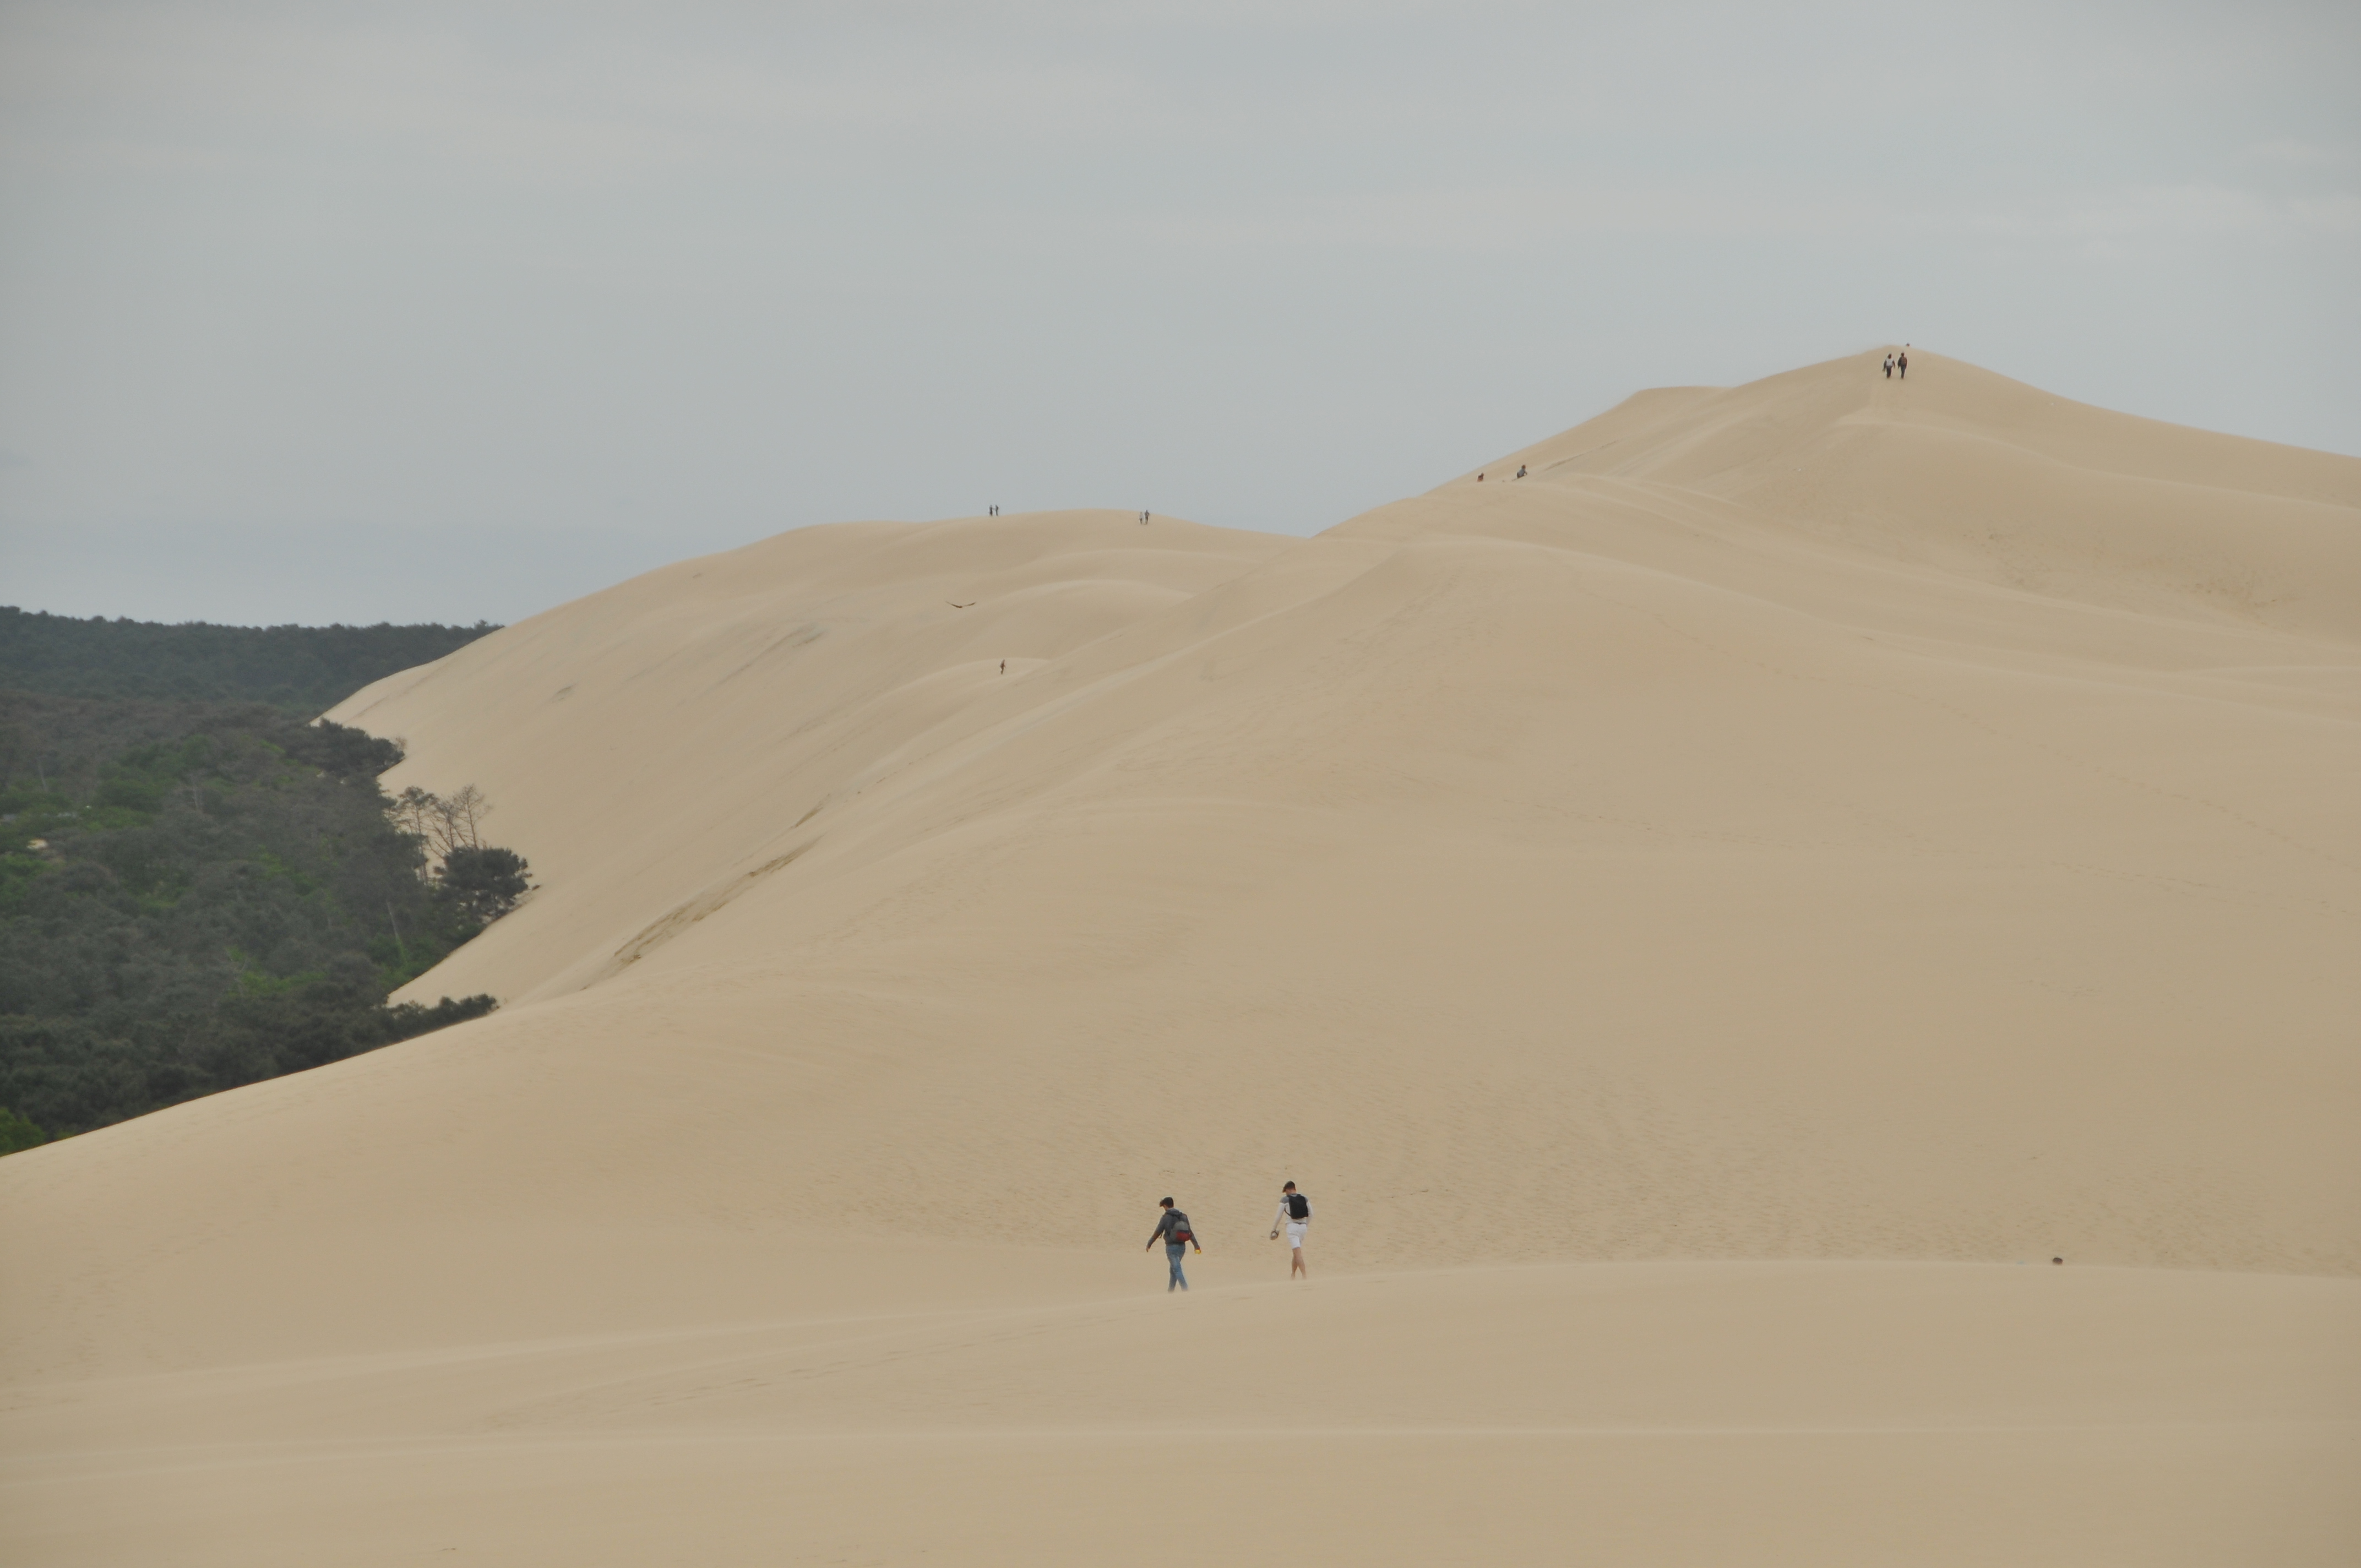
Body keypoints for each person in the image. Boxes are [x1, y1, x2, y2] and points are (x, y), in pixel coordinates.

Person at [1147, 1197, 1200, 1291]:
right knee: (1173, 1270)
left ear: (1165, 1206)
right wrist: (1196, 1246)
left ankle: (1185, 1290)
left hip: (1171, 1247)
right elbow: (1190, 1232)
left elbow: (1158, 1232)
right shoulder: (1183, 1216)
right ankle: (1170, 1291)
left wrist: (1150, 1243)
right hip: (1182, 1247)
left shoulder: (1165, 1217)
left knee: (1177, 1269)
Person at [1269, 1181, 1312, 1278]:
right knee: (1296, 1252)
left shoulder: (1285, 1200)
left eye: (1286, 1191)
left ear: (1288, 1190)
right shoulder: (1304, 1198)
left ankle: (1304, 1275)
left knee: (1297, 1252)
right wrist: (1305, 1225)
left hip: (1292, 1227)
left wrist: (1274, 1229)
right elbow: (1311, 1214)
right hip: (1303, 1228)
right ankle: (1293, 1275)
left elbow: (1278, 1216)